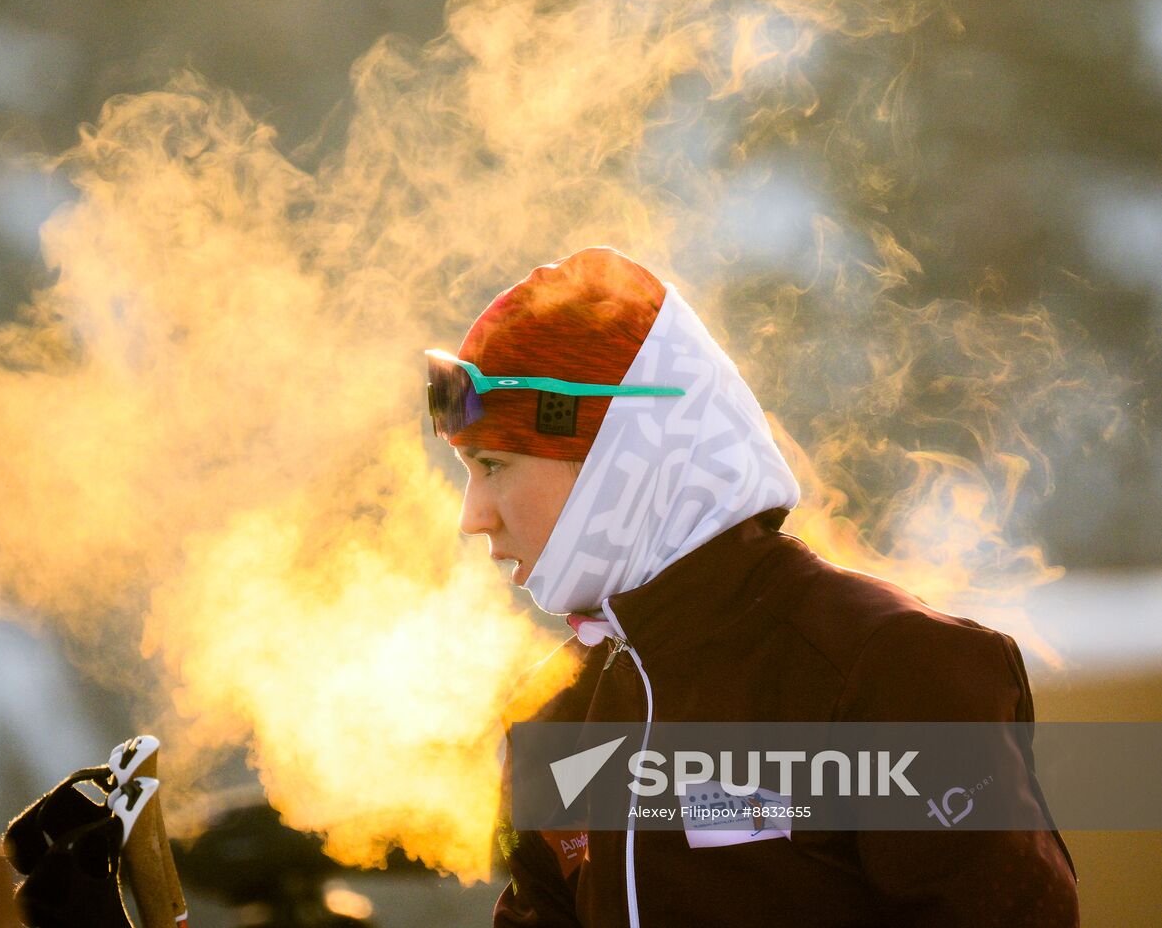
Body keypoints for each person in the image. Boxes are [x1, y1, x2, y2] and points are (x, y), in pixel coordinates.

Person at [424, 247, 1079, 927]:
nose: (472, 516)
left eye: (494, 464)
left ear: (623, 457)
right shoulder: (554, 715)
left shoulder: (885, 668)